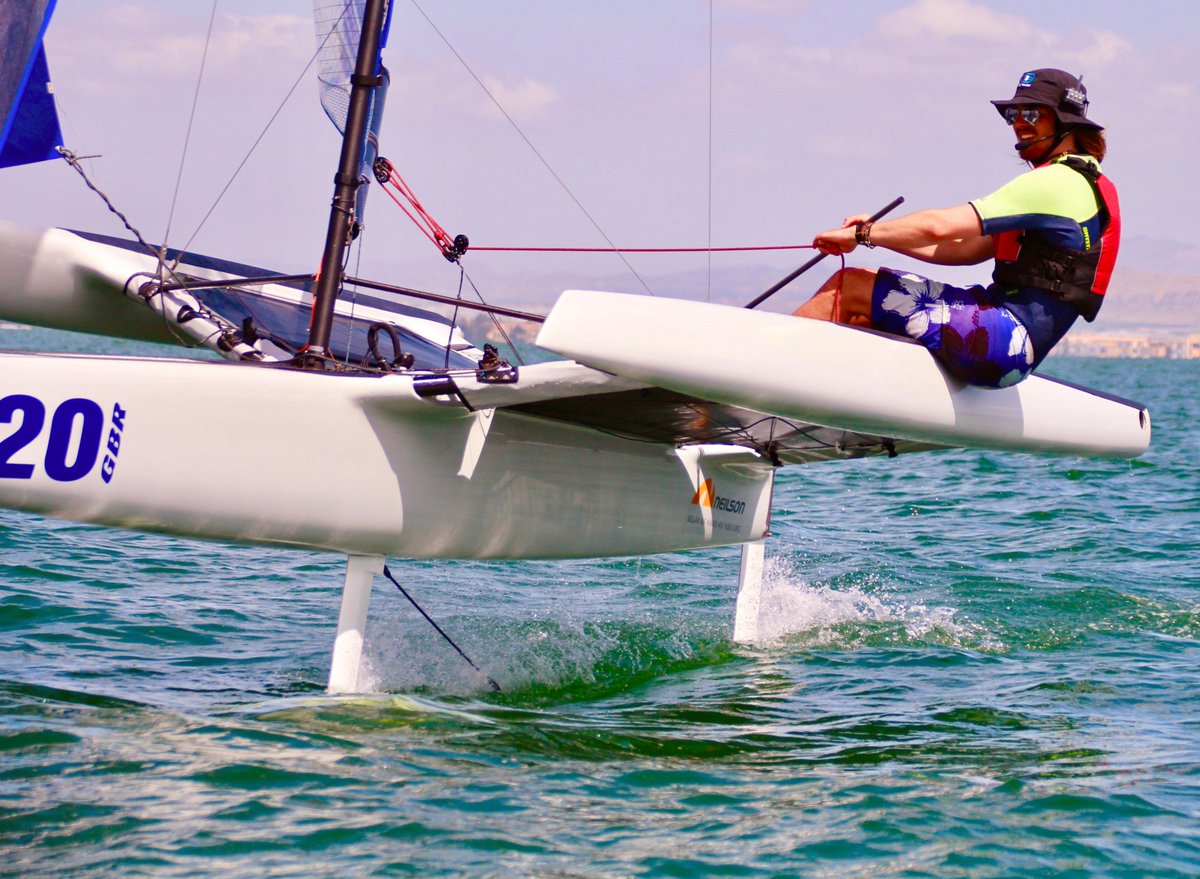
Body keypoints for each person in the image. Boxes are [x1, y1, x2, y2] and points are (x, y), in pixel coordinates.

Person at [794, 69, 1120, 388]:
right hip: (1014, 350)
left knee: (848, 286)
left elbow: (938, 228)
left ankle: (770, 380)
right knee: (864, 317)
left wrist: (861, 235)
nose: (1019, 123)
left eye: (1032, 114)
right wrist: (873, 234)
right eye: (1013, 115)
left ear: (1065, 122)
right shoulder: (1080, 183)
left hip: (1003, 340)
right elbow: (961, 249)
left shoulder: (1056, 182)